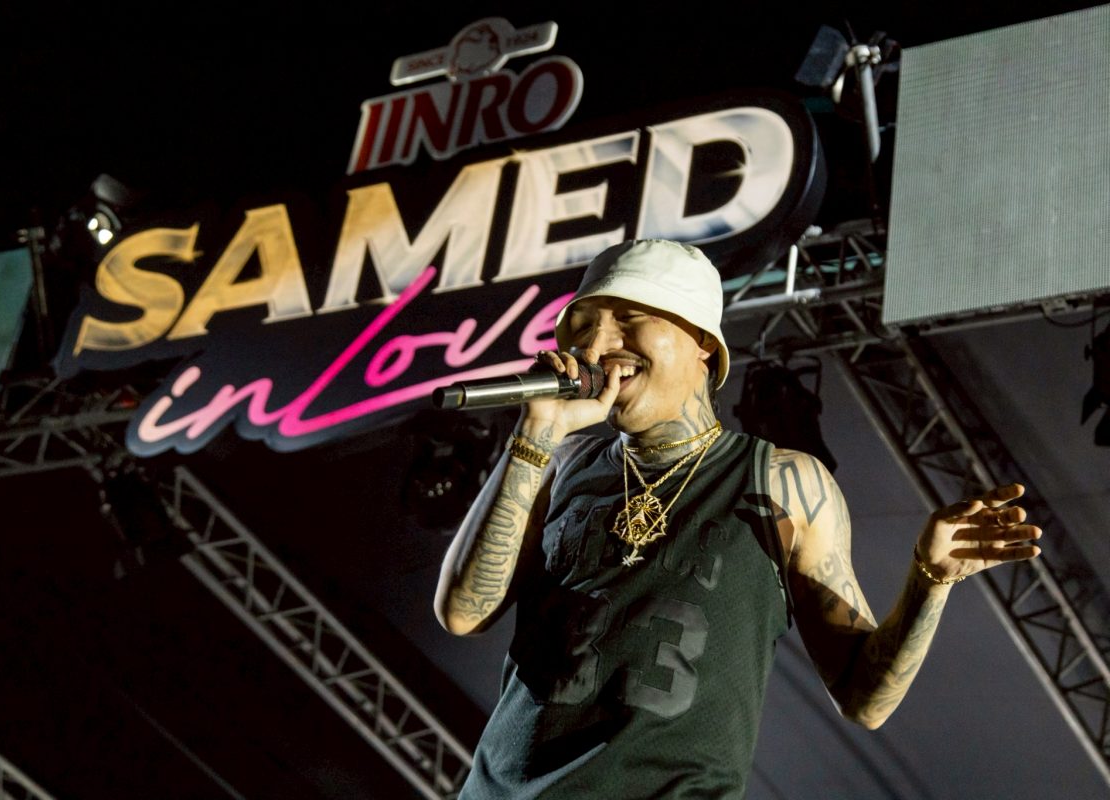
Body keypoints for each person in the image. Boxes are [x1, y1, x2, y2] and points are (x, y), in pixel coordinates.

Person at [434, 239, 1042, 799]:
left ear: (702, 340)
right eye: (584, 327)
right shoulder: (557, 458)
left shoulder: (783, 481)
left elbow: (865, 697)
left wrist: (928, 582)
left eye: (627, 319)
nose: (595, 347)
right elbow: (462, 612)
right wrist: (534, 433)